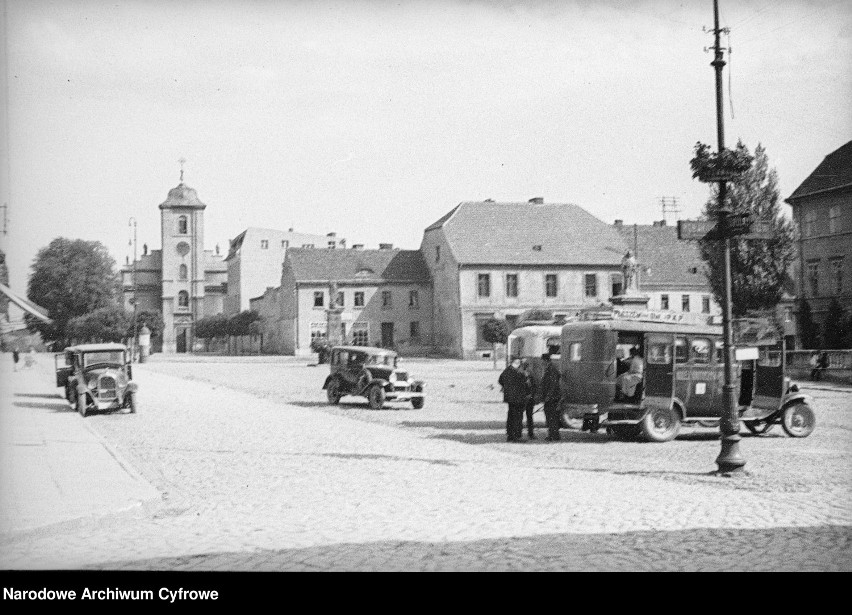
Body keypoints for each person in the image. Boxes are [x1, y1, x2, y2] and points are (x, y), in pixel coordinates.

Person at [499, 358, 530, 442]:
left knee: (511, 416)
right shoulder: (519, 372)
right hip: (518, 398)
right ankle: (517, 436)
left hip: (510, 398)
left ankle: (510, 436)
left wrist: (507, 388)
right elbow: (525, 383)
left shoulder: (507, 370)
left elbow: (500, 380)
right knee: (518, 417)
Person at [540, 353, 562, 441]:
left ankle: (553, 435)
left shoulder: (551, 370)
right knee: (551, 417)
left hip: (552, 398)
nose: (542, 363)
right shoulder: (549, 369)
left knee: (551, 417)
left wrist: (548, 396)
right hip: (551, 397)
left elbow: (552, 385)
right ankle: (553, 434)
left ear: (546, 361)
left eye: (542, 361)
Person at [521, 360, 537, 440]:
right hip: (523, 399)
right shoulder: (520, 375)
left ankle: (530, 434)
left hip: (528, 400)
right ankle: (518, 434)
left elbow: (534, 386)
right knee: (520, 417)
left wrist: (531, 395)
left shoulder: (530, 376)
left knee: (529, 417)